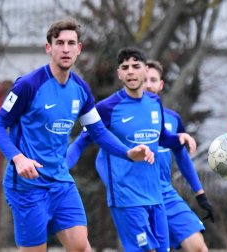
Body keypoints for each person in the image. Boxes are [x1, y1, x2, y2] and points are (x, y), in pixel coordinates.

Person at [0, 19, 155, 252]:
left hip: (60, 182)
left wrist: (128, 153)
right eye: (59, 43)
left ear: (79, 49)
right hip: (27, 186)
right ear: (49, 48)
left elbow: (97, 131)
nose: (65, 49)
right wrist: (19, 159)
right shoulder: (28, 85)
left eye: (71, 43)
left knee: (80, 246)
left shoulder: (81, 89)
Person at [65, 47, 197, 252]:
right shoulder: (107, 108)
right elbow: (82, 142)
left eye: (136, 66)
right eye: (125, 67)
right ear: (119, 73)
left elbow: (162, 138)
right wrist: (62, 167)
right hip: (126, 198)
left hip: (155, 196)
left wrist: (180, 138)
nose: (131, 71)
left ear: (145, 70)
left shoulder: (154, 102)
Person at [144, 60, 212, 252]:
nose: (148, 84)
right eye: (144, 79)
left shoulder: (172, 119)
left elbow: (182, 157)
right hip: (138, 194)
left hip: (165, 192)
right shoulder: (124, 116)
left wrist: (200, 193)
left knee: (198, 247)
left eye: (153, 80)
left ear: (161, 85)